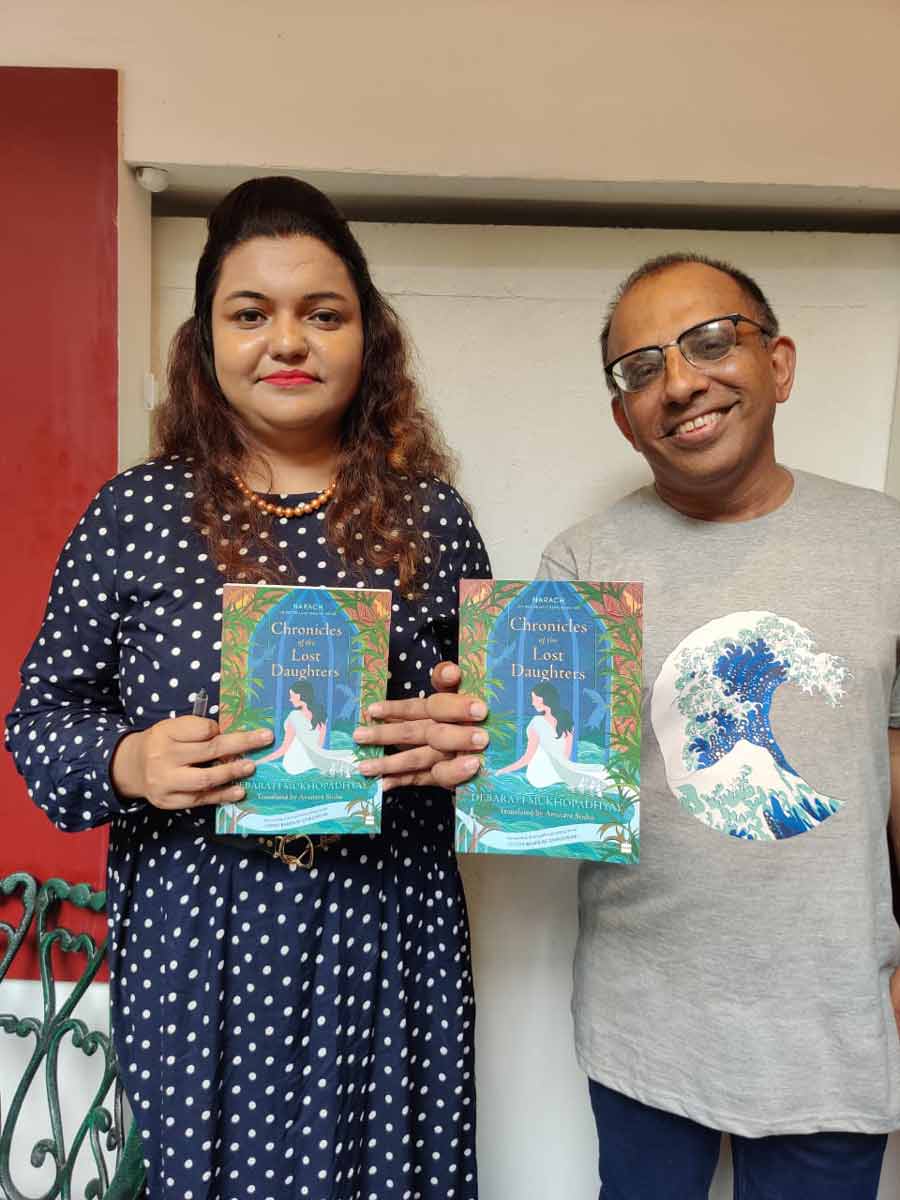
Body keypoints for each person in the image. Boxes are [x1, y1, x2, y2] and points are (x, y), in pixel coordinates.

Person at [366, 253, 900, 1198]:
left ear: (778, 363)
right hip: (646, 1023)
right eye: (640, 368)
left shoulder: (886, 543)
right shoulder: (582, 563)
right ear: (623, 415)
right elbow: (552, 781)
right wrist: (470, 745)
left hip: (838, 1025)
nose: (680, 382)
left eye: (709, 342)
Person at [5, 176, 490, 1200]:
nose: (289, 341)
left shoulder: (432, 518)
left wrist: (469, 748)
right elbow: (41, 716)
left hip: (386, 941)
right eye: (250, 313)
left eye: (324, 313)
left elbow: (496, 739)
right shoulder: (133, 516)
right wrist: (128, 759)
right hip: (197, 950)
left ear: (371, 338)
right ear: (205, 340)